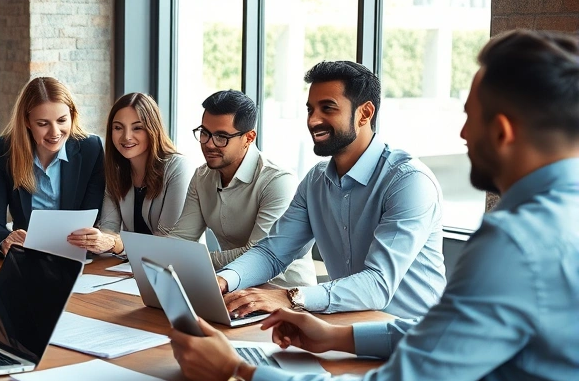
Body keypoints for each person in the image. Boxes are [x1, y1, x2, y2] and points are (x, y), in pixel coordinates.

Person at [169, 29, 579, 381]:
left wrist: (236, 374)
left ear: (501, 132)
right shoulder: (559, 221)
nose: (461, 133)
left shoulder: (509, 241)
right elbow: (451, 335)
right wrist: (339, 335)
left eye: (468, 117)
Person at [218, 62, 445, 320]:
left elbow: (378, 285)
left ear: (365, 113)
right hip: (346, 329)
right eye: (310, 109)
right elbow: (272, 252)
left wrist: (289, 297)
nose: (313, 120)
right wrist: (224, 281)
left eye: (328, 108)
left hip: (417, 340)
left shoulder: (409, 181)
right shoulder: (316, 180)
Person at [163, 90, 315, 288]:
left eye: (221, 137)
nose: (209, 144)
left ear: (249, 138)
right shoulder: (201, 177)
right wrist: (149, 254)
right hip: (229, 288)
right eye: (205, 133)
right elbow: (182, 238)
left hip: (282, 293)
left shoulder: (277, 181)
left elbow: (259, 252)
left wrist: (199, 261)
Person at [0, 76, 105, 257]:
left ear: (72, 116)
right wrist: (5, 241)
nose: (55, 132)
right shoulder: (2, 151)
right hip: (26, 258)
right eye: (43, 124)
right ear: (27, 122)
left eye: (62, 120)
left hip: (77, 257)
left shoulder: (90, 149)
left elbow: (93, 220)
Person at [66, 93, 195, 254]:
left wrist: (117, 244)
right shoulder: (117, 172)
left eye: (137, 128)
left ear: (152, 129)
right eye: (118, 128)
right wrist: (97, 239)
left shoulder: (179, 168)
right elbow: (109, 230)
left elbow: (169, 241)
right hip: (134, 268)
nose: (126, 137)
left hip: (181, 269)